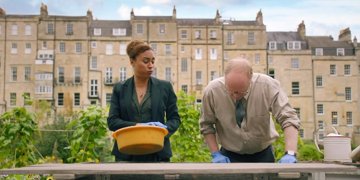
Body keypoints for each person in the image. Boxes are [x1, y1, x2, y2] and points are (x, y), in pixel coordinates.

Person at [199, 57, 300, 163]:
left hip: (263, 154)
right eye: (230, 91)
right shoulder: (212, 91)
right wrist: (215, 154)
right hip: (228, 155)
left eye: (240, 92)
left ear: (250, 79)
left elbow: (289, 118)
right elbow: (206, 125)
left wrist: (290, 153)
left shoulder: (267, 86)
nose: (234, 96)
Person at [107, 40, 181, 162]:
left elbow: (175, 119)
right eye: (146, 61)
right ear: (132, 61)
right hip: (126, 154)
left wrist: (161, 130)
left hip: (158, 154)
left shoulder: (165, 87)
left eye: (152, 61)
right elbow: (112, 122)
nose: (151, 65)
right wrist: (138, 127)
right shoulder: (120, 88)